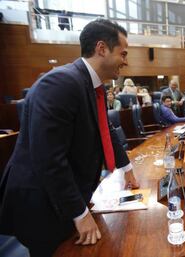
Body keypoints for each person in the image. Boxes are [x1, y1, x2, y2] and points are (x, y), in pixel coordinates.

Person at [0, 19, 139, 257]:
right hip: (41, 204)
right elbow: (49, 158)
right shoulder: (61, 83)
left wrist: (127, 168)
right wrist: (79, 212)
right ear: (101, 48)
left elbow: (105, 130)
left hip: (65, 197)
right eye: (123, 53)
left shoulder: (95, 87)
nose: (126, 61)